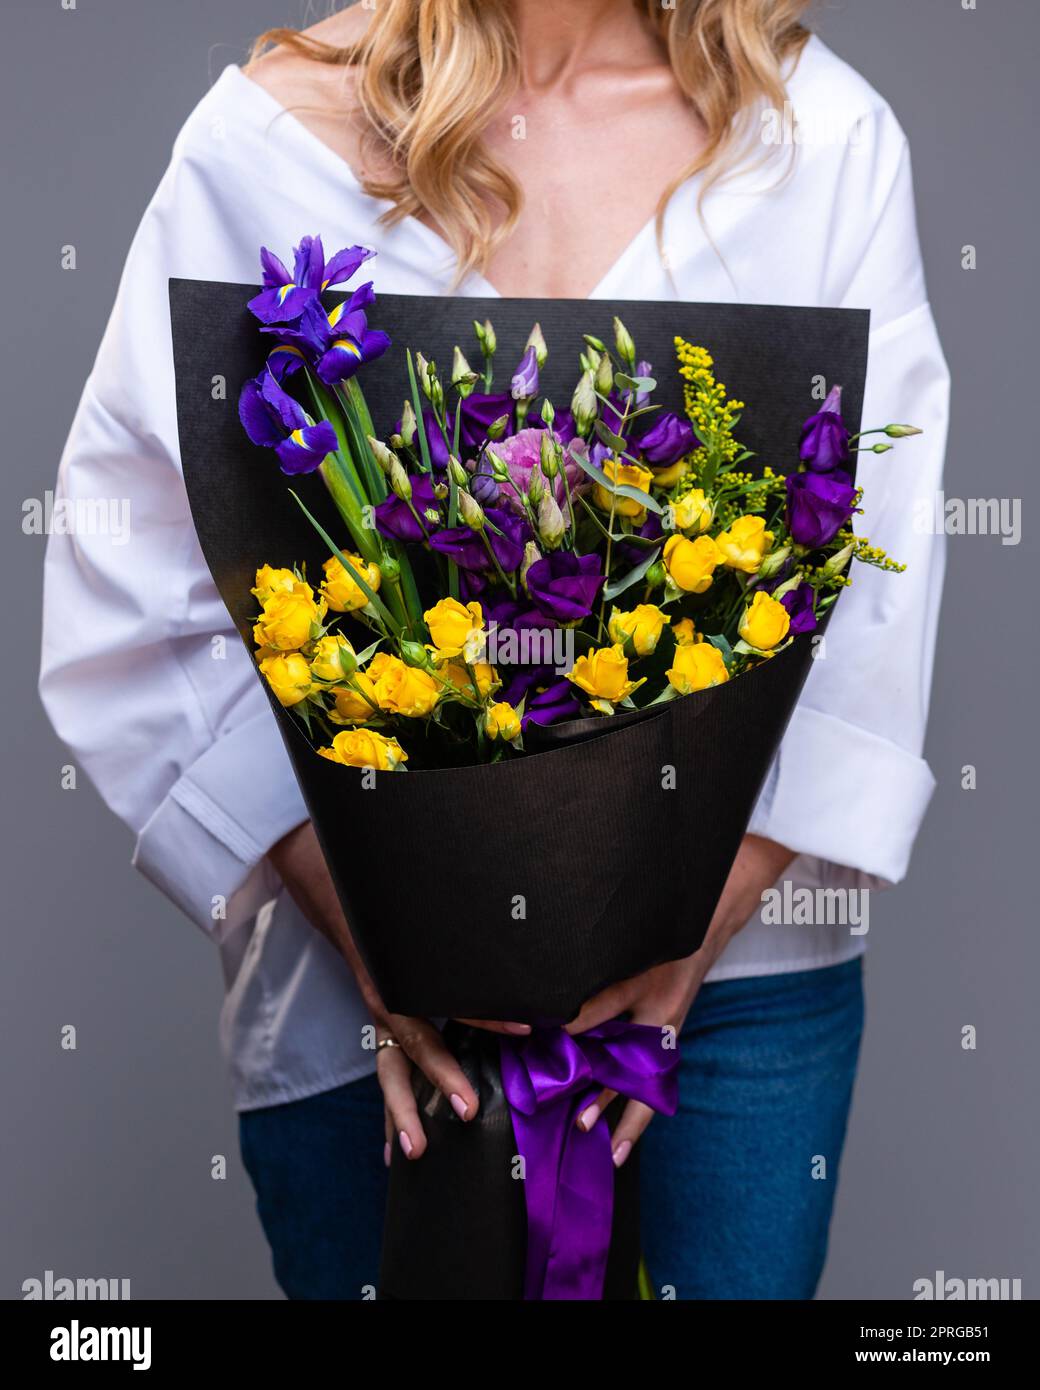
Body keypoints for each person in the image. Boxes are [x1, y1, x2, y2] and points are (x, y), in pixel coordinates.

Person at [40, 0, 948, 1300]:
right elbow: (136, 564)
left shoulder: (820, 140)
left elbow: (870, 566)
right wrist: (374, 927)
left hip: (733, 1001)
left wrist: (693, 936)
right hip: (366, 1006)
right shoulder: (265, 140)